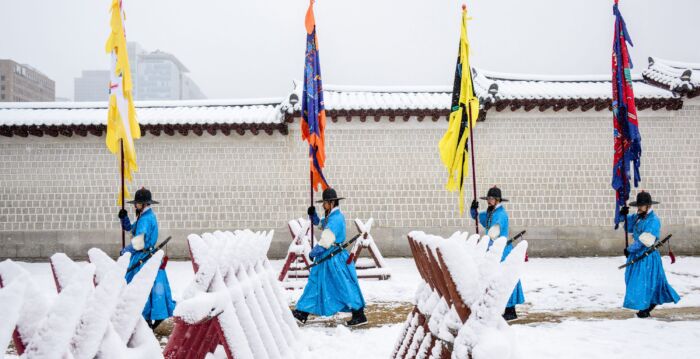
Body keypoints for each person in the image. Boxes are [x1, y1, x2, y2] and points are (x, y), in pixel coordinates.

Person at [291, 188, 368, 327]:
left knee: (344, 285)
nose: (323, 205)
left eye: (325, 203)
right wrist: (313, 215)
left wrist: (314, 252)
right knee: (315, 282)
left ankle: (359, 313)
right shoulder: (332, 216)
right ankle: (302, 312)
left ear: (331, 203)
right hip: (329, 257)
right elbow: (321, 224)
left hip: (334, 258)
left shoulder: (336, 219)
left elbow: (326, 240)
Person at [118, 187, 176, 330]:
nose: (135, 206)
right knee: (152, 288)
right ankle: (153, 316)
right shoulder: (145, 216)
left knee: (137, 285)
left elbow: (139, 242)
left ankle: (144, 318)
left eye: (137, 203)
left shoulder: (145, 218)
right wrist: (123, 218)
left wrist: (125, 251)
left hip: (143, 255)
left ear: (144, 204)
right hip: (147, 255)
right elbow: (132, 229)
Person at [620, 191, 680, 318]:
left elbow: (645, 241)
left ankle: (645, 308)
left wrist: (630, 249)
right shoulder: (638, 216)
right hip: (637, 256)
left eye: (642, 205)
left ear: (648, 206)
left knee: (646, 283)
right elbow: (626, 226)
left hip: (647, 257)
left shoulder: (653, 220)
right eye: (638, 205)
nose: (639, 208)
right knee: (636, 282)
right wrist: (622, 214)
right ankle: (645, 308)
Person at [470, 186, 524, 321]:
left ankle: (510, 309)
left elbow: (494, 232)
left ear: (497, 200)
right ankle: (504, 307)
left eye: (491, 198)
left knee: (505, 277)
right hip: (494, 250)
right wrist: (473, 210)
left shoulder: (500, 214)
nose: (489, 201)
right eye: (488, 198)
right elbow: (478, 217)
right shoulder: (492, 212)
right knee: (496, 278)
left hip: (502, 251)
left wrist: (487, 239)